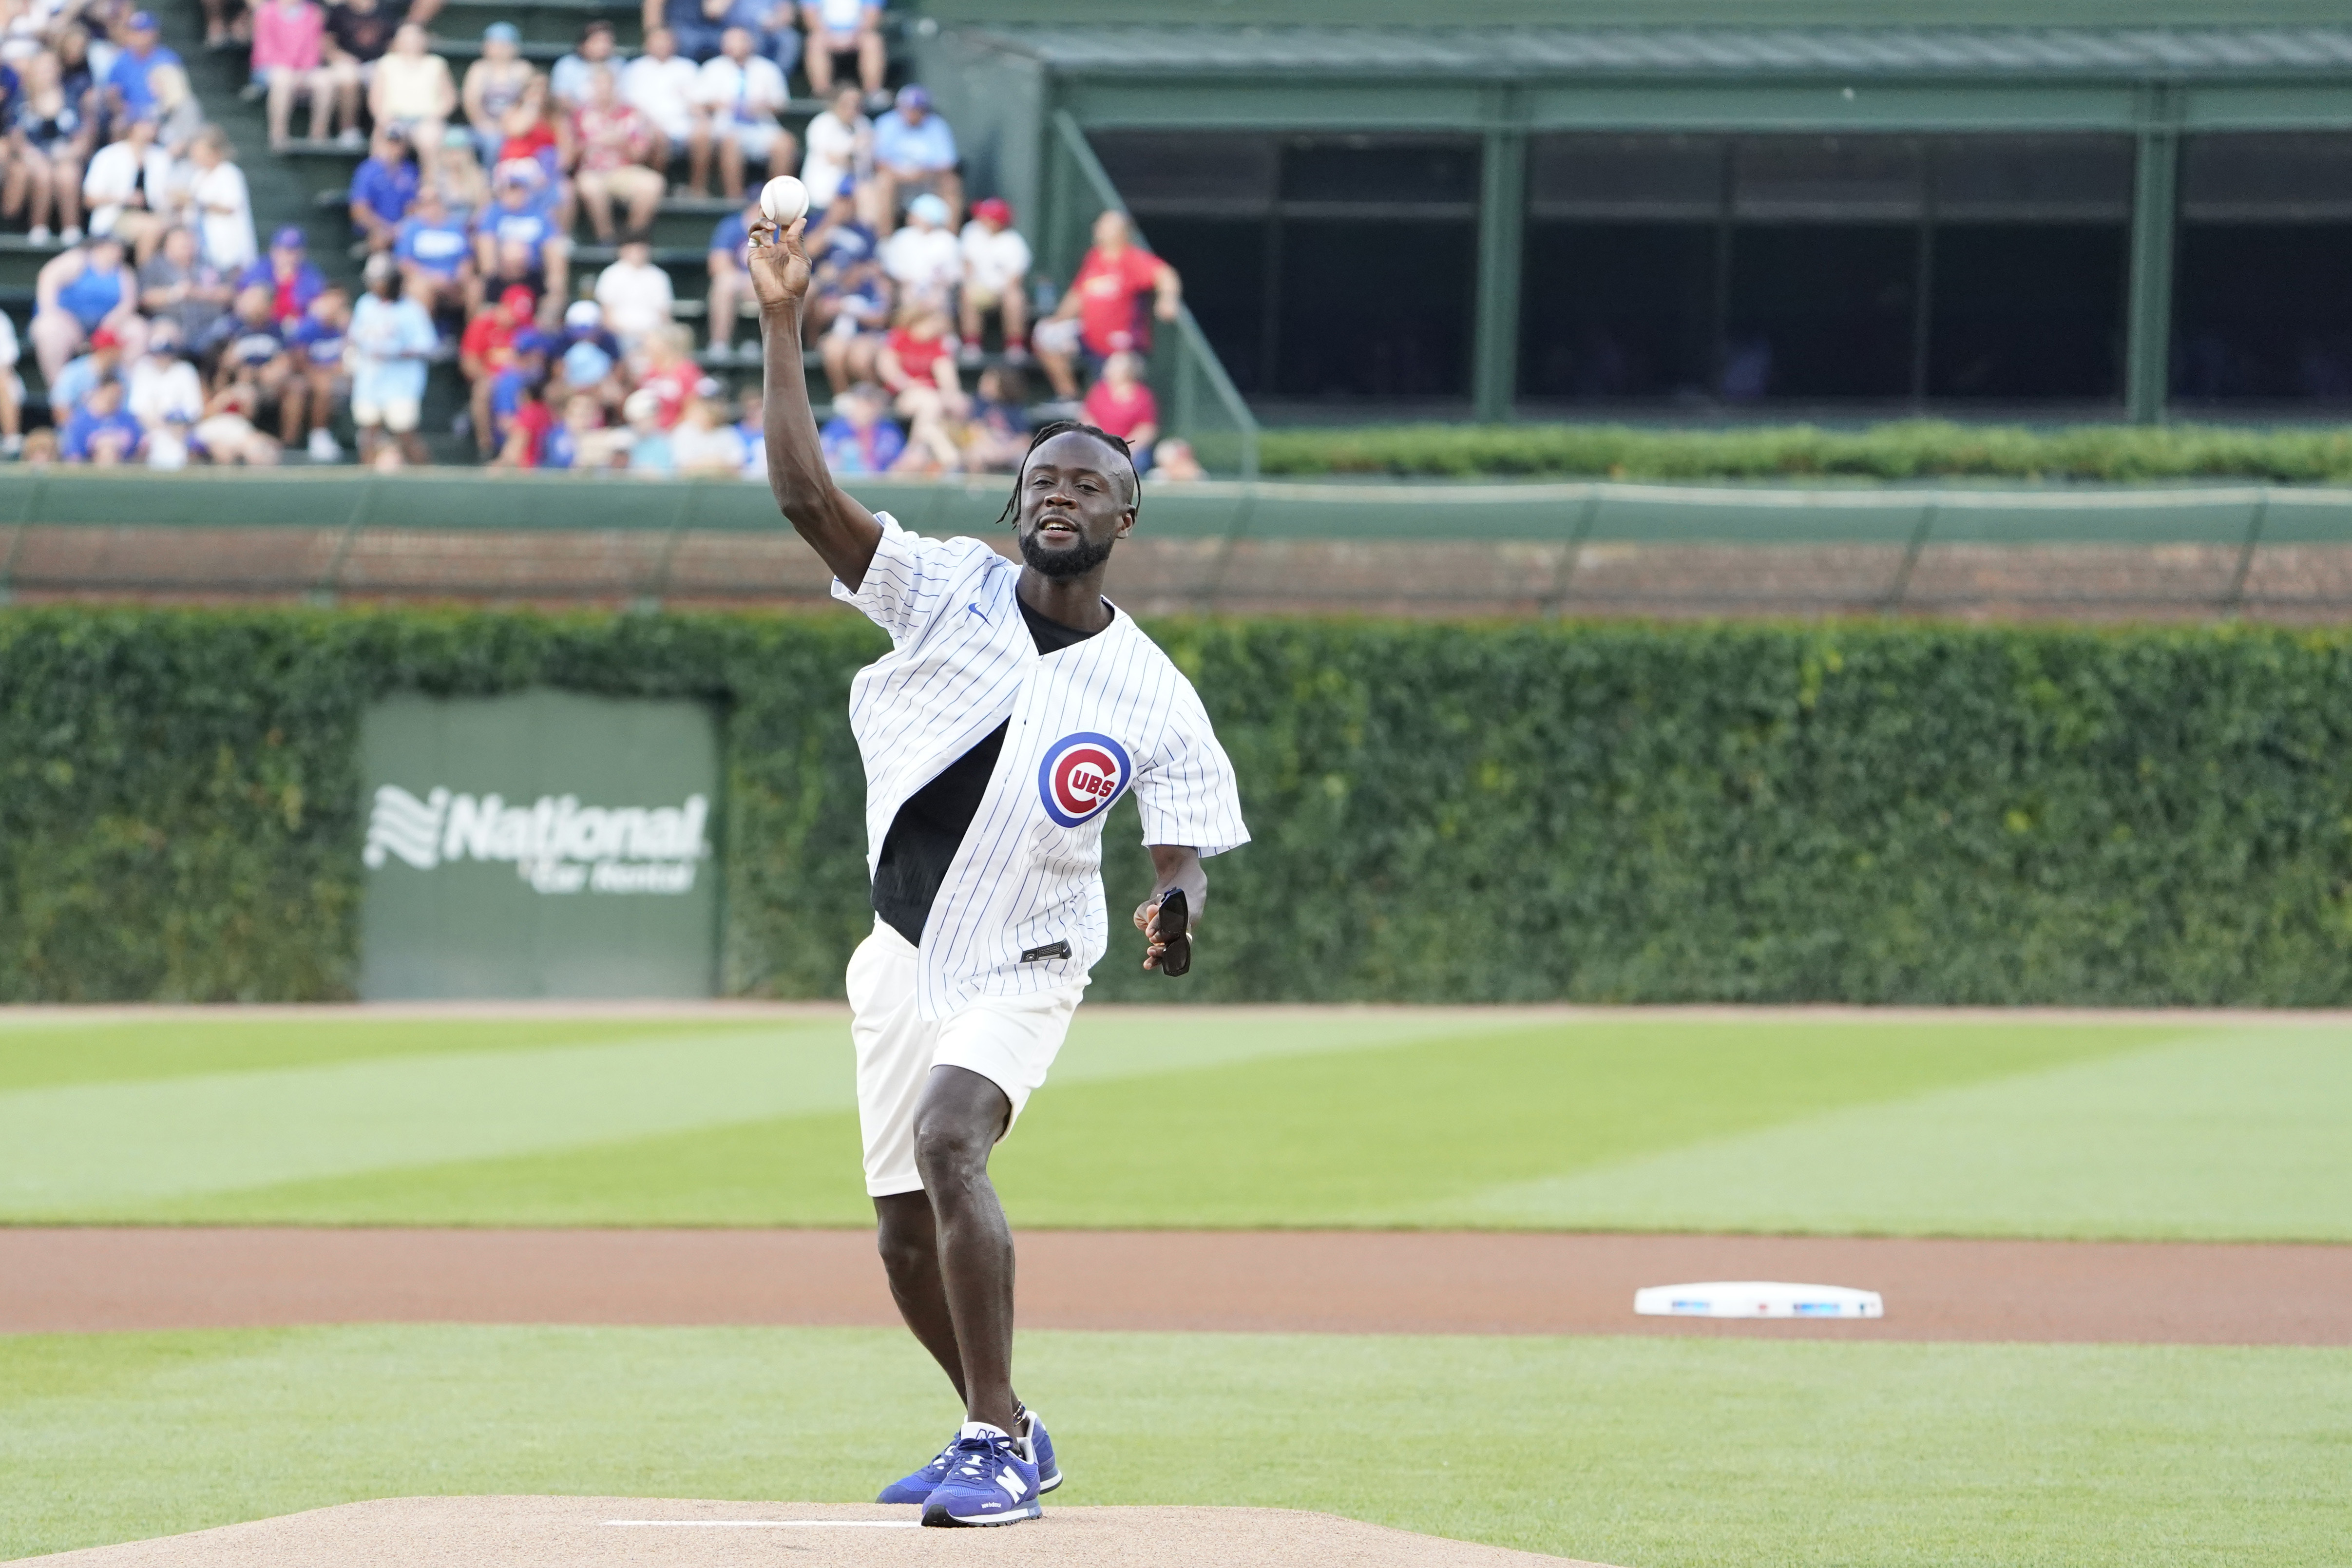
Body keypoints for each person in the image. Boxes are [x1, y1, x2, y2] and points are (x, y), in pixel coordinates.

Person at [747, 209, 1247, 1528]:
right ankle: (1016, 1425)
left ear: (1127, 515)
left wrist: (1176, 909)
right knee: (901, 1232)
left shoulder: (1151, 692)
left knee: (952, 1142)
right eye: (1040, 481)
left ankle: (983, 1442)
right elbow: (804, 496)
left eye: (1087, 483)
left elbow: (1184, 844)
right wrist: (782, 322)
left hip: (1026, 958)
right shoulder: (944, 589)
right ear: (1014, 506)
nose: (1059, 495)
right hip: (901, 950)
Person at [1032, 210, 1178, 401]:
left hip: (1123, 345)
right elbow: (1078, 294)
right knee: (1045, 334)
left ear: (1121, 232)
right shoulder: (1095, 257)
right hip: (1089, 336)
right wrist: (1059, 319)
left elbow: (1166, 275)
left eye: (1104, 225)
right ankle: (1069, 396)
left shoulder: (1132, 259)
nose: (1097, 229)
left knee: (1114, 385)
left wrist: (1167, 298)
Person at [345, 252, 436, 465]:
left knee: (405, 434)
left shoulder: (411, 309)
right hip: (369, 381)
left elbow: (427, 346)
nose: (374, 284)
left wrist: (393, 352)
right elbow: (355, 337)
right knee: (368, 435)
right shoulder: (365, 304)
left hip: (401, 383)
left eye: (379, 279)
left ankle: (428, 480)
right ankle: (366, 482)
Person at [693, 26, 793, 203]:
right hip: (725, 125)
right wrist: (721, 104)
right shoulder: (713, 68)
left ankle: (777, 202)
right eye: (732, 42)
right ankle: (735, 199)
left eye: (742, 41)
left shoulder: (768, 69)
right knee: (731, 140)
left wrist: (763, 106)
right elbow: (700, 102)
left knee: (785, 143)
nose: (737, 47)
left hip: (760, 125)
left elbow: (780, 104)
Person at [568, 66, 663, 245]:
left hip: (623, 170)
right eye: (599, 85)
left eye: (608, 85)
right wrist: (591, 143)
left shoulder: (630, 114)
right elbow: (568, 155)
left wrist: (621, 143)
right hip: (591, 170)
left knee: (653, 184)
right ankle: (606, 238)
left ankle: (632, 238)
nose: (603, 90)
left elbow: (639, 155)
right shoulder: (579, 115)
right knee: (591, 187)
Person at [11, 49, 93, 244]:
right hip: (34, 155)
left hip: (63, 154)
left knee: (68, 175)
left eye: (51, 68)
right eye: (42, 68)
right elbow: (16, 136)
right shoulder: (22, 98)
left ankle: (71, 229)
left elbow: (81, 136)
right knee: (43, 175)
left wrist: (71, 152)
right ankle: (38, 228)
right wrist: (28, 154)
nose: (47, 73)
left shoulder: (70, 97)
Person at [31, 235, 139, 382]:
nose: (118, 251)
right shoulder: (77, 260)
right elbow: (48, 277)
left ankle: (122, 389)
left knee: (137, 330)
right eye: (113, 246)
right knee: (48, 330)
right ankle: (60, 393)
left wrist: (110, 325)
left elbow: (128, 303)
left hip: (104, 327)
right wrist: (54, 312)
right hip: (67, 323)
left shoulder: (124, 272)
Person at [473, 159, 568, 319]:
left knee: (555, 290)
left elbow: (552, 244)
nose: (514, 194)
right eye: (509, 189)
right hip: (501, 274)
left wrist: (556, 278)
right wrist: (491, 273)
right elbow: (485, 242)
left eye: (518, 189)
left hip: (532, 274)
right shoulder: (493, 213)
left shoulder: (539, 215)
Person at [81, 110, 171, 261]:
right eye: (146, 124)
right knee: (152, 228)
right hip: (115, 217)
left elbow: (166, 195)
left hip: (155, 215)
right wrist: (125, 199)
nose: (151, 128)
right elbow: (90, 199)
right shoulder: (109, 156)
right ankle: (146, 278)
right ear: (133, 127)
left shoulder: (161, 157)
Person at [620, 26, 701, 191]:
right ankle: (658, 188)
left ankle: (697, 188)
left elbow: (698, 103)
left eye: (666, 41)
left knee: (704, 133)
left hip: (681, 123)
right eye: (657, 41)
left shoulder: (688, 67)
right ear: (647, 44)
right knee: (656, 135)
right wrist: (651, 124)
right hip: (646, 123)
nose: (662, 45)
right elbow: (629, 105)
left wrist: (700, 115)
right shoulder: (635, 69)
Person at [871, 85, 959, 235]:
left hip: (927, 178)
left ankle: (949, 238)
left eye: (918, 109)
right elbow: (879, 162)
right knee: (884, 181)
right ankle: (884, 239)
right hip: (897, 178)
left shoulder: (936, 125)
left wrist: (921, 173)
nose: (913, 113)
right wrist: (903, 174)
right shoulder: (887, 123)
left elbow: (948, 164)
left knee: (951, 182)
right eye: (909, 108)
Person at [371, 23, 456, 176]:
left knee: (430, 139)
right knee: (385, 141)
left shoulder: (436, 64)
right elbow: (376, 99)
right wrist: (382, 117)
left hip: (426, 120)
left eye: (415, 38)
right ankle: (381, 184)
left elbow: (450, 98)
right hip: (394, 118)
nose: (411, 43)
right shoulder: (386, 63)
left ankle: (429, 187)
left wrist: (435, 117)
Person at [139, 225, 233, 352]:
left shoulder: (206, 263)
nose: (186, 244)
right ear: (167, 244)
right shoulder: (156, 265)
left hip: (209, 324)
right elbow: (145, 297)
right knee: (161, 336)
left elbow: (229, 293)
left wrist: (198, 293)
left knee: (230, 334)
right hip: (173, 324)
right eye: (180, 240)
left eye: (189, 239)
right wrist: (177, 293)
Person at [957, 196, 1029, 363]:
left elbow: (1015, 278)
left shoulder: (1013, 241)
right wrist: (973, 286)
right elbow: (967, 266)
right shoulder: (972, 232)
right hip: (978, 287)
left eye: (986, 216)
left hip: (1002, 291)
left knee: (1015, 298)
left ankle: (1015, 347)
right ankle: (971, 345)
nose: (981, 218)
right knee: (968, 293)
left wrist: (998, 291)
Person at [249, 0, 327, 150]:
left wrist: (303, 71)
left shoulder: (313, 13)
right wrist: (290, 71)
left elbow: (313, 48)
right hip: (269, 68)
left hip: (303, 70)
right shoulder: (265, 13)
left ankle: (318, 135)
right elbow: (265, 49)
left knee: (325, 81)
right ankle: (278, 135)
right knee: (283, 80)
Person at [321, 0, 398, 148]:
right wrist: (340, 57)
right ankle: (348, 130)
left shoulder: (386, 9)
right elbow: (327, 44)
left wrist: (385, 62)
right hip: (346, 64)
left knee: (387, 75)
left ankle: (385, 131)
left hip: (378, 64)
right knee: (348, 77)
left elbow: (393, 43)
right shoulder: (339, 11)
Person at [284, 283, 349, 458]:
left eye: (340, 305)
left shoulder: (344, 328)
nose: (335, 308)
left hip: (339, 376)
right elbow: (299, 363)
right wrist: (327, 371)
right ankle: (316, 437)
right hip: (311, 375)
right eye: (332, 303)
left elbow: (351, 357)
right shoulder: (309, 327)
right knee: (321, 386)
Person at [462, 22, 535, 169]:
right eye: (494, 44)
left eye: (503, 45)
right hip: (483, 125)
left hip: (515, 126)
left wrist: (515, 125)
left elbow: (530, 102)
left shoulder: (523, 69)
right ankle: (489, 185)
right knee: (491, 142)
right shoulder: (479, 69)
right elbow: (470, 101)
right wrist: (482, 123)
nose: (499, 50)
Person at [186, 126, 257, 273]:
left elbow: (229, 207)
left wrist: (194, 201)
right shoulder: (198, 176)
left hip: (230, 246)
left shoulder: (229, 173)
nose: (195, 155)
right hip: (205, 246)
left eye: (199, 150)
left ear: (214, 152)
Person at [395, 184, 473, 313]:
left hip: (454, 282)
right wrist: (433, 278)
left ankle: (474, 333)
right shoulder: (411, 228)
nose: (431, 207)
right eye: (425, 203)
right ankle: (425, 333)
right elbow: (405, 263)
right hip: (425, 279)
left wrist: (459, 277)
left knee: (475, 288)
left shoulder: (455, 226)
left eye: (434, 201)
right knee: (419, 289)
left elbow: (466, 259)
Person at [702, 194, 760, 359]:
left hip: (764, 283)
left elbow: (776, 264)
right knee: (724, 284)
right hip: (738, 281)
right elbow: (717, 265)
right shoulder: (732, 226)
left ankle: (762, 343)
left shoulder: (775, 229)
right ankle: (719, 345)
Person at [880, 191, 958, 311]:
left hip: (937, 290)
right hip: (908, 287)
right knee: (908, 294)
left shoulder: (947, 240)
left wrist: (935, 285)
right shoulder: (902, 237)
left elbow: (953, 274)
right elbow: (894, 269)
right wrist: (911, 284)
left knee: (939, 296)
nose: (911, 216)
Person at [347, 124, 417, 255]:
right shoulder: (368, 170)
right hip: (376, 233)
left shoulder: (410, 171)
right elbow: (359, 210)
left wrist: (400, 230)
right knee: (379, 262)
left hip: (404, 234)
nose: (394, 148)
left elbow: (413, 208)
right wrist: (384, 229)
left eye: (398, 143)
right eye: (390, 142)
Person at [800, 83, 869, 216]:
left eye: (857, 105)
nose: (852, 109)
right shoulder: (822, 123)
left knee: (869, 191)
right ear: (836, 103)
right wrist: (854, 146)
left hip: (855, 190)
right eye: (846, 104)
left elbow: (866, 162)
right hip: (824, 191)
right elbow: (832, 158)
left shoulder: (864, 125)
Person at [238, 226, 326, 327]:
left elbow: (317, 307)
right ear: (273, 250)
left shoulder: (311, 275)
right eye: (280, 249)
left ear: (301, 253)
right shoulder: (260, 268)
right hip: (263, 325)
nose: (284, 255)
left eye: (291, 251)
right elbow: (244, 298)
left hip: (297, 329)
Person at [1081, 349, 1156, 467]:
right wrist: (1102, 442)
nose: (1108, 368)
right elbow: (1087, 418)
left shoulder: (1143, 396)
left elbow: (1147, 428)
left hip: (1131, 449)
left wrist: (1125, 447)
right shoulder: (1099, 390)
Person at [594, 236, 673, 348]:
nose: (637, 253)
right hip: (620, 336)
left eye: (641, 249)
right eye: (632, 249)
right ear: (622, 250)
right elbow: (606, 316)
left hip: (652, 336)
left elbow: (665, 315)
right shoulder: (611, 275)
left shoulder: (659, 276)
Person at [104, 10, 182, 122]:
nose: (138, 36)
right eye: (134, 31)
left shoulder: (167, 59)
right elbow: (112, 94)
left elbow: (176, 98)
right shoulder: (121, 61)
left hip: (163, 116)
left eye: (142, 31)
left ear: (154, 33)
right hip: (131, 117)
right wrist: (126, 112)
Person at [799, 0, 881, 99]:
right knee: (815, 42)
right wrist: (830, 36)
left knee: (872, 42)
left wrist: (852, 37)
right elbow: (810, 17)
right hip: (825, 34)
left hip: (858, 35)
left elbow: (871, 16)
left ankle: (872, 92)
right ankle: (822, 92)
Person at [817, 380, 899, 474]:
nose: (864, 409)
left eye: (869, 404)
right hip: (842, 481)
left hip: (879, 483)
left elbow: (897, 461)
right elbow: (824, 457)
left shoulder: (888, 430)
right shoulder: (837, 427)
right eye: (861, 403)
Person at [60, 374, 142, 464]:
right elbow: (74, 458)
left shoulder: (128, 420)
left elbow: (138, 453)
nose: (115, 397)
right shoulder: (80, 422)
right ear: (101, 391)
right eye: (112, 393)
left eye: (119, 394)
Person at [549, 19, 616, 113]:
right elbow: (561, 99)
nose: (603, 46)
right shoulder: (567, 66)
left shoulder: (618, 65)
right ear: (584, 43)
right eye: (597, 41)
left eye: (607, 41)